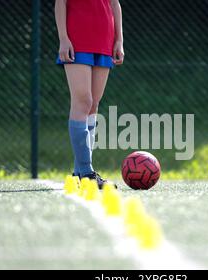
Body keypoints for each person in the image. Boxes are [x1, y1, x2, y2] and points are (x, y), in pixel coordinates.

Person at [55, 0, 124, 188]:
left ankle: (80, 172)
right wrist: (63, 38)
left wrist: (119, 40)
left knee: (93, 104)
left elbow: (114, 4)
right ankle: (87, 172)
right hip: (77, 37)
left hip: (104, 37)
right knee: (83, 102)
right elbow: (60, 3)